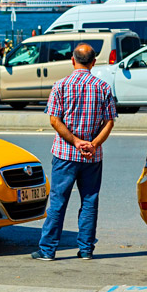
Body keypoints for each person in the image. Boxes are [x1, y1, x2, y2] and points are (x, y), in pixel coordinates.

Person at [32, 43, 117, 262]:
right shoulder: (103, 88)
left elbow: (54, 120)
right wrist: (94, 144)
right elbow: (109, 122)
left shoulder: (60, 86)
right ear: (93, 62)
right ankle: (86, 249)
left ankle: (48, 250)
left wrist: (75, 141)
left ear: (72, 60)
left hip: (64, 154)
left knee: (58, 201)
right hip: (92, 157)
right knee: (89, 201)